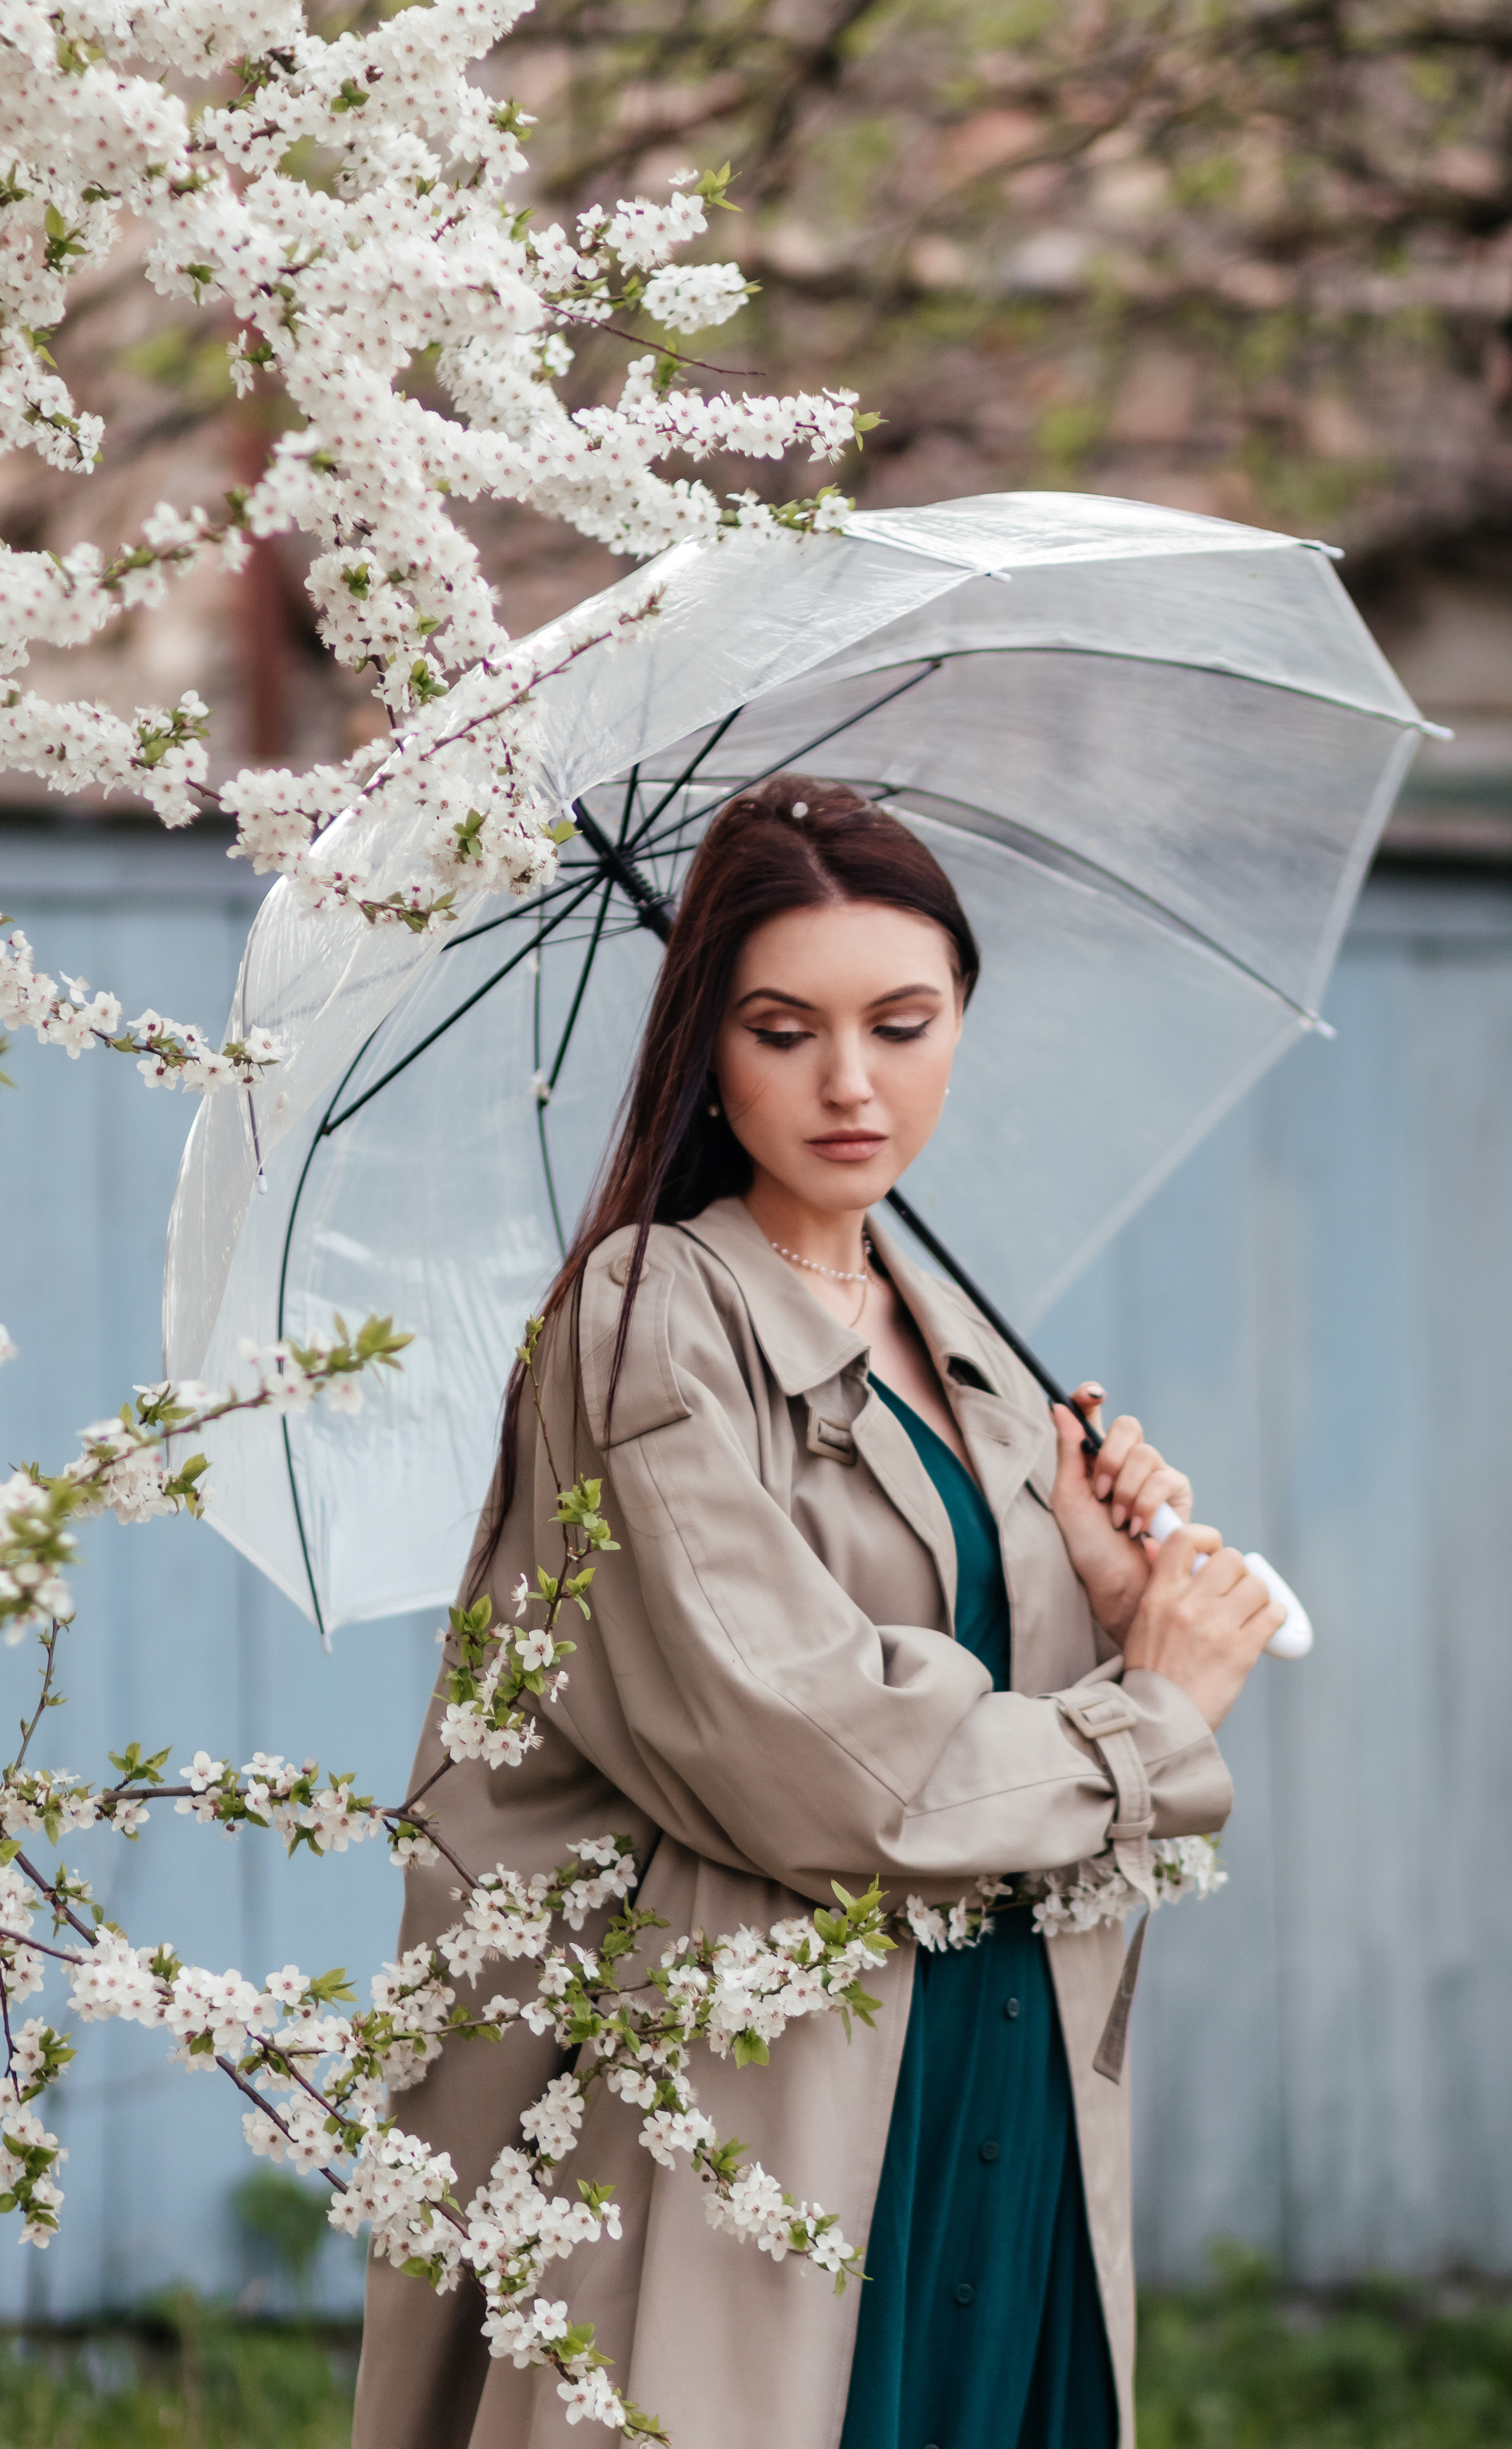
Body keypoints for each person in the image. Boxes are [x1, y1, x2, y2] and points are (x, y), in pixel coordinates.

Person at [353, 774, 1284, 2449]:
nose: (852, 1083)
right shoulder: (645, 1324)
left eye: (903, 1023)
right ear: (708, 1045)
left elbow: (1019, 1754)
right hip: (786, 2104)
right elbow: (819, 1761)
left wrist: (1112, 1595)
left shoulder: (973, 1355)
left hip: (1015, 2075)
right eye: (785, 1030)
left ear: (960, 1026)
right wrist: (1154, 1703)